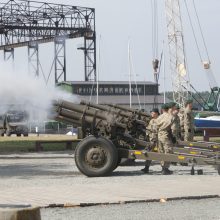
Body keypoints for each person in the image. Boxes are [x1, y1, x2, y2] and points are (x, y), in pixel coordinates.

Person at [156, 102, 176, 175]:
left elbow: (156, 125)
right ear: (171, 108)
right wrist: (173, 137)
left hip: (159, 134)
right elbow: (173, 129)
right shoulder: (171, 117)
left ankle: (163, 168)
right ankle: (166, 168)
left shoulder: (160, 116)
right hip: (166, 135)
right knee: (168, 151)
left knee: (161, 151)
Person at [141, 108, 160, 173]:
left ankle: (164, 168)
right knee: (149, 153)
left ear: (156, 113)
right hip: (152, 140)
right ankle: (146, 167)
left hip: (158, 139)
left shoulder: (159, 120)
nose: (151, 114)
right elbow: (148, 129)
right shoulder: (151, 120)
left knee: (162, 153)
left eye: (153, 112)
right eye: (151, 113)